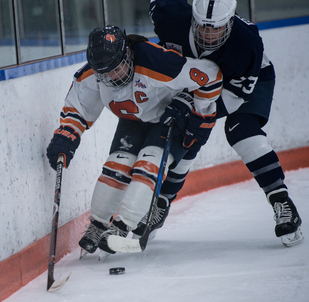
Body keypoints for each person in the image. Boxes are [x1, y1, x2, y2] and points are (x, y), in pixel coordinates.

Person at [137, 0, 303, 247]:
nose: (208, 34)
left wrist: (192, 110)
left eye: (216, 28)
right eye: (203, 26)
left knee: (241, 132)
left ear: (230, 20)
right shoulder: (172, 17)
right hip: (194, 79)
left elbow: (229, 99)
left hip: (247, 80)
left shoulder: (247, 43)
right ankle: (161, 203)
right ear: (193, 17)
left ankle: (282, 202)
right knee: (184, 135)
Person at [46, 25, 223, 254]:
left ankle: (122, 227)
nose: (109, 76)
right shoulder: (97, 72)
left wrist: (195, 109)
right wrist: (67, 134)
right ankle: (98, 225)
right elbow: (78, 108)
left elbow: (211, 76)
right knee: (116, 166)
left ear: (127, 53)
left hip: (168, 118)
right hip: (133, 120)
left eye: (115, 69)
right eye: (104, 72)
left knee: (148, 166)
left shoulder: (157, 62)